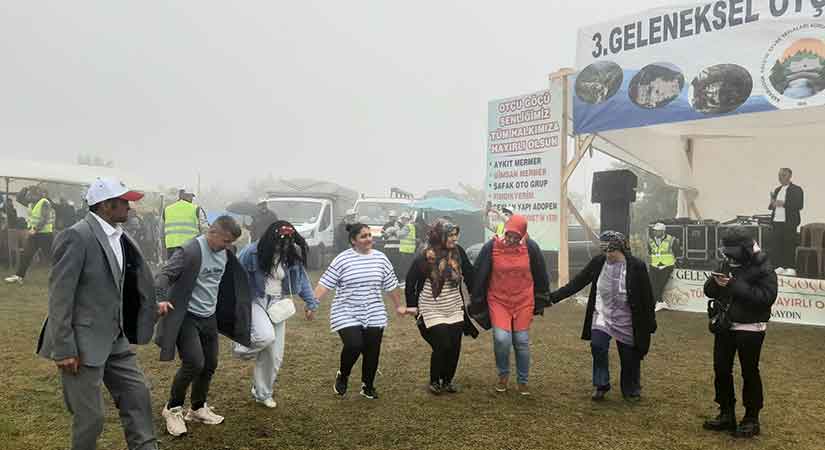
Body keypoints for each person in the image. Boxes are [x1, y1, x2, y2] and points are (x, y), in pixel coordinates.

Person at [36, 177, 170, 450]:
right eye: (124, 202)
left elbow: (121, 284)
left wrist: (147, 307)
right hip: (81, 344)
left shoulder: (121, 236)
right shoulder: (77, 236)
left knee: (138, 397)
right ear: (106, 206)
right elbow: (60, 296)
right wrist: (64, 348)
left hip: (115, 338)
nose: (130, 207)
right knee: (91, 420)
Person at [154, 216, 252, 437]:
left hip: (209, 316)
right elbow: (164, 274)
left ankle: (197, 408)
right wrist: (160, 298)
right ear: (212, 231)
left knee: (210, 364)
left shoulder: (227, 252)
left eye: (231, 243)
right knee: (194, 363)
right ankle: (172, 408)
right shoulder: (190, 251)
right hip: (187, 316)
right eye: (225, 241)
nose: (227, 247)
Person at [549, 231, 657, 402]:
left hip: (627, 317)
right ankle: (601, 384)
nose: (608, 255)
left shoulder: (637, 266)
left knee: (629, 356)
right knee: (598, 345)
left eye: (611, 251)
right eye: (604, 251)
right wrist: (552, 298)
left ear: (621, 249)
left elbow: (647, 296)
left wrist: (650, 322)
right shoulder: (598, 263)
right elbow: (577, 282)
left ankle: (631, 388)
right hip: (603, 313)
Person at [313, 222, 407, 400]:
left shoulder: (380, 258)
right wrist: (312, 303)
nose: (369, 239)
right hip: (346, 310)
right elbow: (325, 283)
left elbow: (391, 285)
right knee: (354, 345)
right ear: (353, 241)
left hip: (373, 310)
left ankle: (368, 385)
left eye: (370, 235)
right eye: (364, 236)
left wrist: (398, 305)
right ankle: (344, 374)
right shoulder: (342, 259)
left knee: (372, 350)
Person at [702, 226, 778, 438]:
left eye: (732, 254)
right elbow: (708, 291)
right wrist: (715, 282)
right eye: (726, 253)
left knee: (749, 372)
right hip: (725, 325)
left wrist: (734, 285)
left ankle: (752, 418)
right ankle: (726, 413)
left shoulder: (764, 266)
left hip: (751, 327)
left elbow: (766, 297)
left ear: (745, 249)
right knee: (721, 370)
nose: (729, 258)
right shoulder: (726, 262)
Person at [236, 220, 320, 408]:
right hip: (255, 300)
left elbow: (302, 280)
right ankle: (241, 349)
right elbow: (235, 276)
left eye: (287, 242)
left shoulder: (291, 254)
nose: (283, 246)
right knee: (265, 337)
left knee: (274, 355)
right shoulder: (251, 253)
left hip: (278, 304)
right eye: (280, 241)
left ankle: (262, 393)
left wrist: (311, 302)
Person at [468, 214, 550, 395]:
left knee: (521, 341)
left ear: (523, 235)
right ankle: (503, 374)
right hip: (498, 299)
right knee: (502, 339)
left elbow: (541, 272)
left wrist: (542, 297)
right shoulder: (491, 246)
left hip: (523, 299)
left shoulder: (531, 247)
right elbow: (479, 271)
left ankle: (523, 381)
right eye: (509, 235)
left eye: (516, 237)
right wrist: (476, 298)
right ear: (505, 231)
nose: (511, 240)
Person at [405, 219, 476, 394]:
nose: (454, 239)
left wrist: (475, 295)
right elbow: (410, 282)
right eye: (450, 235)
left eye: (455, 235)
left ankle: (447, 381)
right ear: (440, 236)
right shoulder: (426, 255)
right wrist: (412, 305)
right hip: (431, 306)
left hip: (453, 306)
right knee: (442, 343)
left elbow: (469, 273)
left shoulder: (458, 253)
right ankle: (435, 381)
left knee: (454, 345)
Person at [5, 186, 55, 285]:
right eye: (28, 195)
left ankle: (62, 277)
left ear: (36, 194)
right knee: (26, 255)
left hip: (45, 234)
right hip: (34, 234)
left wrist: (35, 229)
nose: (28, 197)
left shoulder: (44, 202)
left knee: (51, 258)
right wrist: (24, 189)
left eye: (30, 194)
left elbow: (44, 218)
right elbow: (19, 198)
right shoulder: (31, 203)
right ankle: (19, 276)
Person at [769, 168, 803, 276]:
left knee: (789, 244)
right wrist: (772, 203)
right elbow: (773, 206)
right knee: (777, 245)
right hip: (776, 221)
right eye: (779, 175)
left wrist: (783, 203)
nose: (780, 177)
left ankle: (791, 267)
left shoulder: (797, 189)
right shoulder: (777, 189)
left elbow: (799, 205)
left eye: (783, 175)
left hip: (789, 222)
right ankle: (779, 266)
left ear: (789, 176)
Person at [162, 187, 205, 259]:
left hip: (171, 247)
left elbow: (162, 230)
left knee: (173, 269)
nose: (191, 199)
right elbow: (205, 229)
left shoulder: (167, 209)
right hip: (190, 247)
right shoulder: (196, 209)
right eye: (190, 196)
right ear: (182, 195)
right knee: (189, 269)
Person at [648, 222, 679, 309]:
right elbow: (650, 252)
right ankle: (660, 302)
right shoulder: (650, 240)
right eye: (654, 231)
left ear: (663, 231)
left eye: (657, 231)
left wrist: (671, 261)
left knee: (661, 285)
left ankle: (657, 303)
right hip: (654, 265)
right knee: (653, 285)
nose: (655, 232)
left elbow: (676, 252)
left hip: (667, 266)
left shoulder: (671, 240)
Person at [396, 212, 416, 280]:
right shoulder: (411, 226)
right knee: (408, 266)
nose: (401, 221)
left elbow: (399, 235)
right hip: (410, 250)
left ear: (405, 219)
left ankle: (404, 280)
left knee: (404, 267)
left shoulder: (407, 227)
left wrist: (397, 228)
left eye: (402, 219)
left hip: (405, 250)